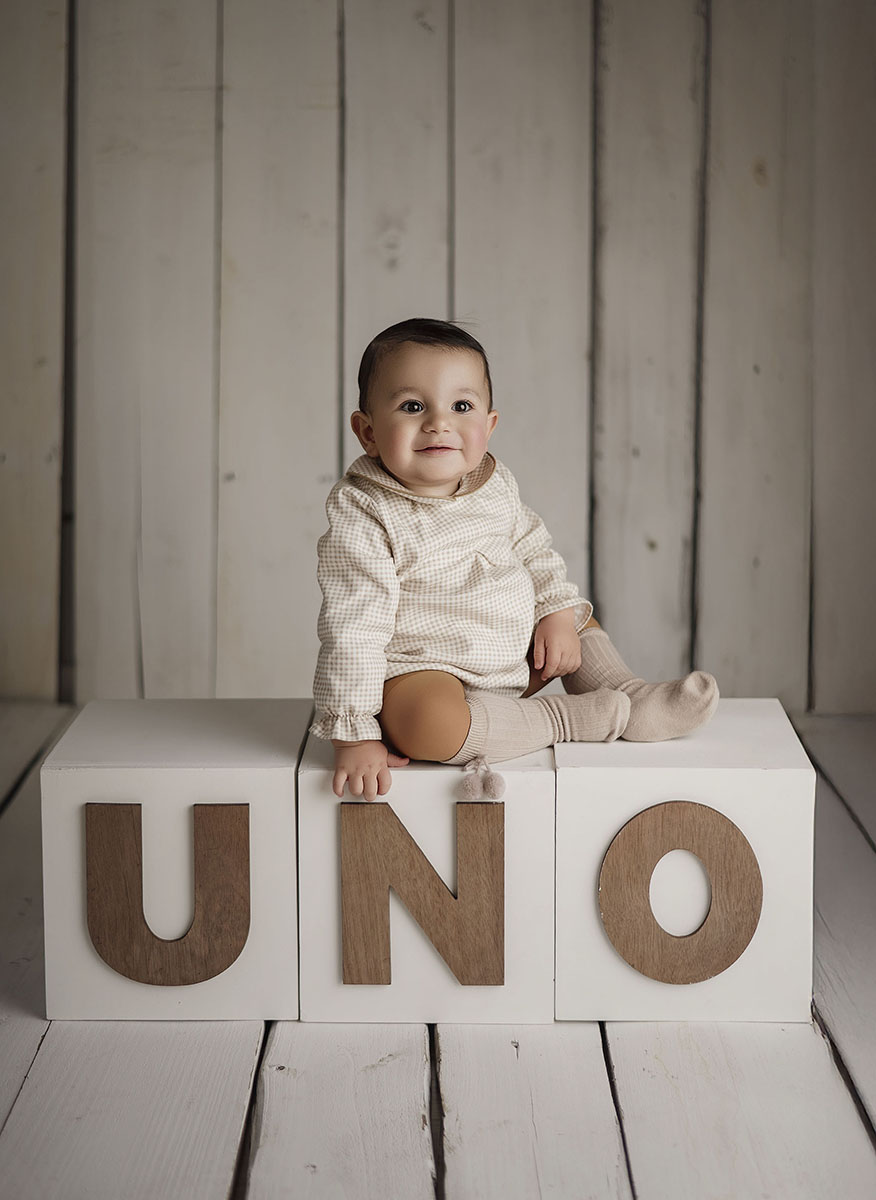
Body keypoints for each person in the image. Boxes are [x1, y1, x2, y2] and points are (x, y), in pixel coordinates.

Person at [311, 318, 718, 801]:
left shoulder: (494, 484)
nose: (439, 422)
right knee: (427, 727)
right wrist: (354, 733)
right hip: (425, 675)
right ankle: (569, 718)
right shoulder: (364, 510)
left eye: (461, 406)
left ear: (489, 424)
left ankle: (628, 694)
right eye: (412, 406)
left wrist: (553, 614)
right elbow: (353, 624)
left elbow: (534, 551)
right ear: (368, 432)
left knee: (574, 614)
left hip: (517, 659)